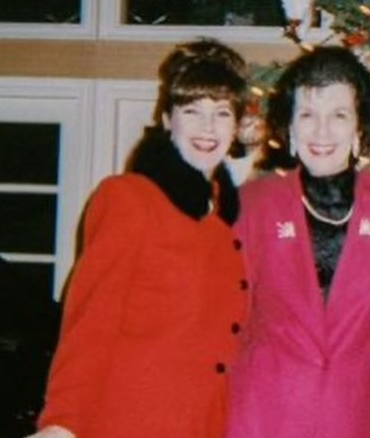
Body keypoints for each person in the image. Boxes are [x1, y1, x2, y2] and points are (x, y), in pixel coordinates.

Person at [29, 39, 249, 438]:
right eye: (192, 111)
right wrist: (62, 421)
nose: (207, 127)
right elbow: (91, 320)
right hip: (130, 421)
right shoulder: (128, 198)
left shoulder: (225, 221)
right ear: (167, 120)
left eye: (221, 113)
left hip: (204, 425)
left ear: (235, 127)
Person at [224, 46, 370, 438]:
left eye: (338, 115)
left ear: (360, 128)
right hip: (260, 419)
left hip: (351, 419)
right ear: (290, 129)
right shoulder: (251, 207)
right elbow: (221, 320)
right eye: (307, 115)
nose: (321, 132)